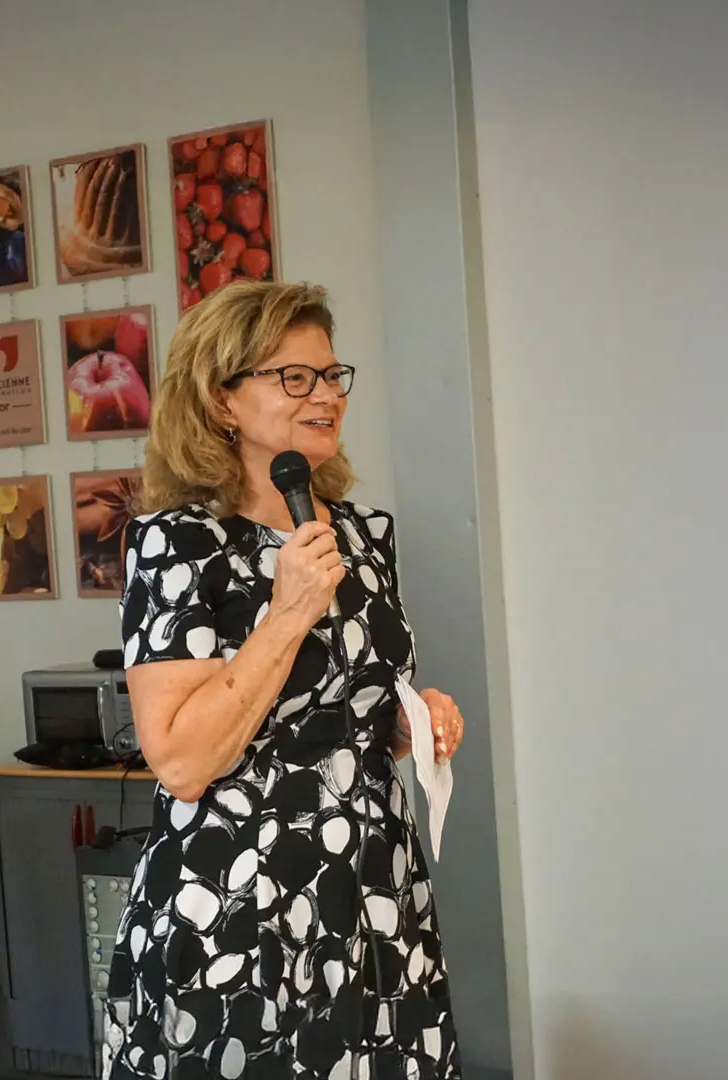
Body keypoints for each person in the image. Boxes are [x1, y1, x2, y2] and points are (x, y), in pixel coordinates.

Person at [101, 281, 467, 1079]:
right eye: (293, 378)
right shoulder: (178, 545)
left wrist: (412, 721)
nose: (324, 396)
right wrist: (287, 614)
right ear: (221, 400)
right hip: (240, 893)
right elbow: (181, 761)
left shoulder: (364, 535)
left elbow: (348, 699)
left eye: (333, 376)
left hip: (372, 886)